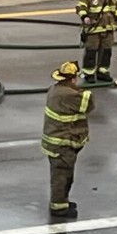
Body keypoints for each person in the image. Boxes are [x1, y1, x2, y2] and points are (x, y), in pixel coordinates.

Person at [40, 60, 94, 220]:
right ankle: (59, 207)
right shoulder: (68, 95)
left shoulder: (55, 90)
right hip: (62, 144)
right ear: (72, 79)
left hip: (58, 142)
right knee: (61, 176)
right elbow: (89, 104)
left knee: (64, 175)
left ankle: (62, 201)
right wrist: (80, 90)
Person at [76, 0, 117, 85]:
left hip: (108, 28)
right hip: (93, 29)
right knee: (91, 51)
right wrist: (85, 17)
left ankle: (103, 72)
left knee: (106, 51)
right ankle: (89, 73)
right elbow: (80, 7)